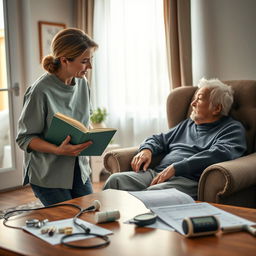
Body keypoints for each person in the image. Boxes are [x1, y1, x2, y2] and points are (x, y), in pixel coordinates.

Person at [103, 78, 247, 199]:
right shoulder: (187, 125)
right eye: (194, 98)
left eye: (200, 99)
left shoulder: (232, 129)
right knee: (115, 180)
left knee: (152, 196)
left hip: (188, 180)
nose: (193, 103)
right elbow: (159, 139)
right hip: (158, 173)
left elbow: (221, 153)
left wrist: (177, 168)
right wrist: (147, 149)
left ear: (216, 108)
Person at [16, 28, 98, 206]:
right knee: (68, 221)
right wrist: (58, 150)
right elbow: (24, 138)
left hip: (79, 168)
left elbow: (85, 121)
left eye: (90, 60)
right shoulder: (40, 91)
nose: (89, 67)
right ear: (64, 60)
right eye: (84, 61)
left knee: (90, 215)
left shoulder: (83, 84)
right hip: (48, 174)